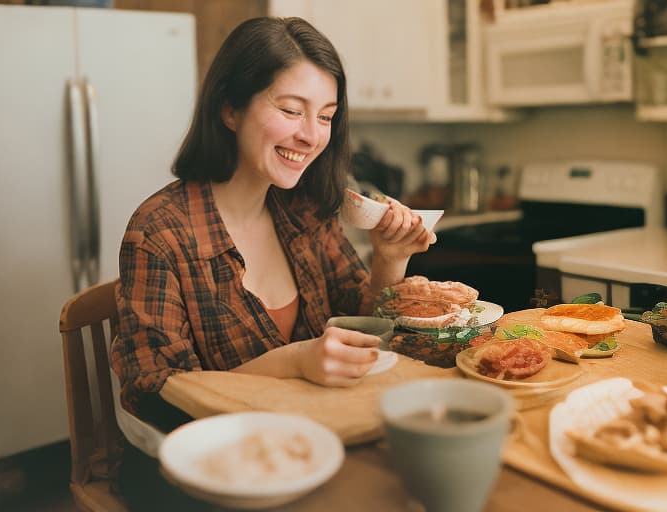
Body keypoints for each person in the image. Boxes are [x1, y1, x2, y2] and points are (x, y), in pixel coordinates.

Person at [109, 16, 435, 510]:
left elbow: (363, 323)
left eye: (326, 117)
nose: (310, 136)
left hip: (307, 447)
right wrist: (292, 362)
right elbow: (154, 393)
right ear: (230, 109)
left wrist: (390, 260)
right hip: (203, 473)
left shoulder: (305, 210)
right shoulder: (160, 230)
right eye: (290, 110)